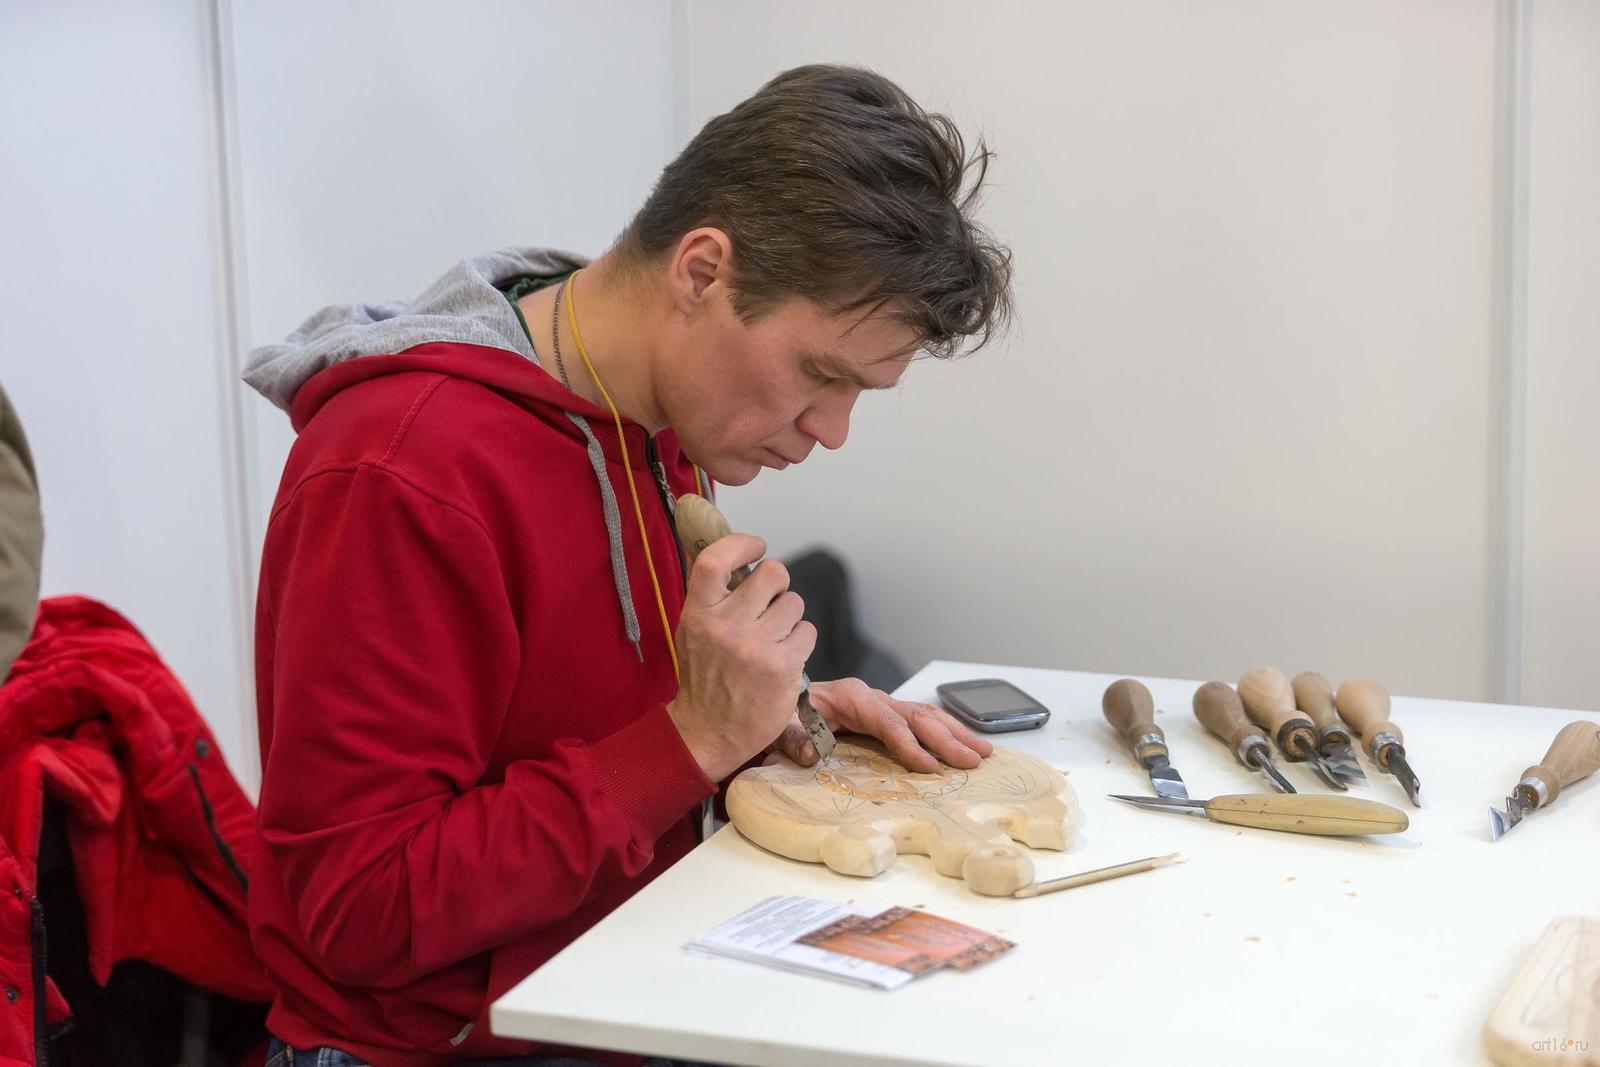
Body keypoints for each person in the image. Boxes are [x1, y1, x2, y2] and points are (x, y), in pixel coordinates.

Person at [244, 64, 1013, 1067]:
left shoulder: (648, 414)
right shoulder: (399, 469)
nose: (831, 430)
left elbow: (570, 727)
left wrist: (769, 715)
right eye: (820, 374)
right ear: (702, 271)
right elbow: (360, 908)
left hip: (627, 984)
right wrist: (694, 737)